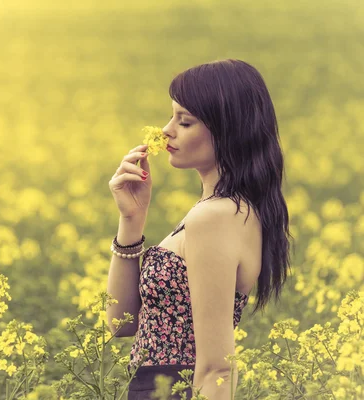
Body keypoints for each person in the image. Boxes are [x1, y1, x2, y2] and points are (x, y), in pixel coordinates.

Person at [106, 59, 294, 400]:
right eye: (171, 117)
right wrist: (132, 219)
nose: (166, 131)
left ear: (227, 129)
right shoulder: (214, 210)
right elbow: (122, 322)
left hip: (177, 391)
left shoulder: (216, 217)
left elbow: (217, 367)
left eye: (185, 121)